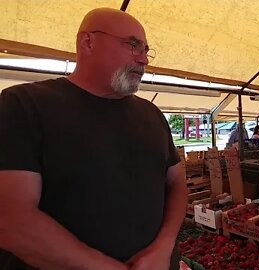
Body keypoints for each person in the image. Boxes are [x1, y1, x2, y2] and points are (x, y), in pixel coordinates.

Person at [0, 8, 187, 270]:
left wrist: (164, 248)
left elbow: (177, 183)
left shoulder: (151, 114)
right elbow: (12, 219)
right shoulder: (23, 105)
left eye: (146, 49)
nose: (144, 59)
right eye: (133, 45)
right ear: (88, 42)